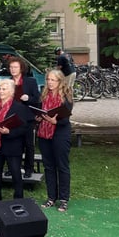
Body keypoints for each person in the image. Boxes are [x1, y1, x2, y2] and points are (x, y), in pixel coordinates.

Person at [0, 79, 30, 203]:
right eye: (0, 89)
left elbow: (24, 128)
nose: (1, 91)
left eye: (4, 89)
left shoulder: (19, 107)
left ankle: (18, 198)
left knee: (15, 172)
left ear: (11, 91)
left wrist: (9, 132)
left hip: (12, 144)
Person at [37, 69, 74, 212]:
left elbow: (66, 118)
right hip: (44, 133)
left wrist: (56, 121)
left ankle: (64, 199)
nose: (50, 82)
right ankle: (51, 197)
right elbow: (40, 110)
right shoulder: (44, 95)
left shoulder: (66, 95)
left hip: (60, 133)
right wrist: (38, 117)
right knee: (49, 167)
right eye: (48, 79)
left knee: (62, 166)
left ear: (60, 81)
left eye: (53, 80)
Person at [8, 56, 41, 178]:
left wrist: (28, 99)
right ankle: (13, 168)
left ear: (21, 68)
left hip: (27, 117)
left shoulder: (30, 81)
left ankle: (29, 168)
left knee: (28, 145)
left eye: (15, 67)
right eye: (11, 67)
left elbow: (37, 98)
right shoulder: (9, 81)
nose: (13, 69)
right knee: (13, 144)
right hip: (12, 117)